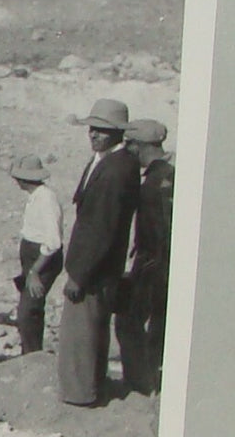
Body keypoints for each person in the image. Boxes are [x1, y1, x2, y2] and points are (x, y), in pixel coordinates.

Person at [56, 98, 142, 406]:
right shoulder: (106, 162)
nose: (94, 135)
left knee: (82, 333)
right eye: (92, 128)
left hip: (94, 269)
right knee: (89, 331)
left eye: (102, 130)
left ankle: (81, 395)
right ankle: (90, 386)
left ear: (118, 134)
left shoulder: (117, 170)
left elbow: (103, 228)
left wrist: (80, 274)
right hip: (96, 266)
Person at [115, 119, 175, 394]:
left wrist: (148, 264)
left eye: (130, 145)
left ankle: (141, 386)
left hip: (153, 265)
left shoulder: (155, 183)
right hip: (160, 264)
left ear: (139, 147)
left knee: (129, 322)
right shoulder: (168, 175)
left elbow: (161, 231)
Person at [8, 154, 64, 353]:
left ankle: (32, 358)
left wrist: (34, 272)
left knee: (27, 311)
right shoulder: (36, 197)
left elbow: (53, 241)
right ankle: (32, 353)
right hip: (32, 255)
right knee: (32, 308)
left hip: (42, 259)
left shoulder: (46, 199)